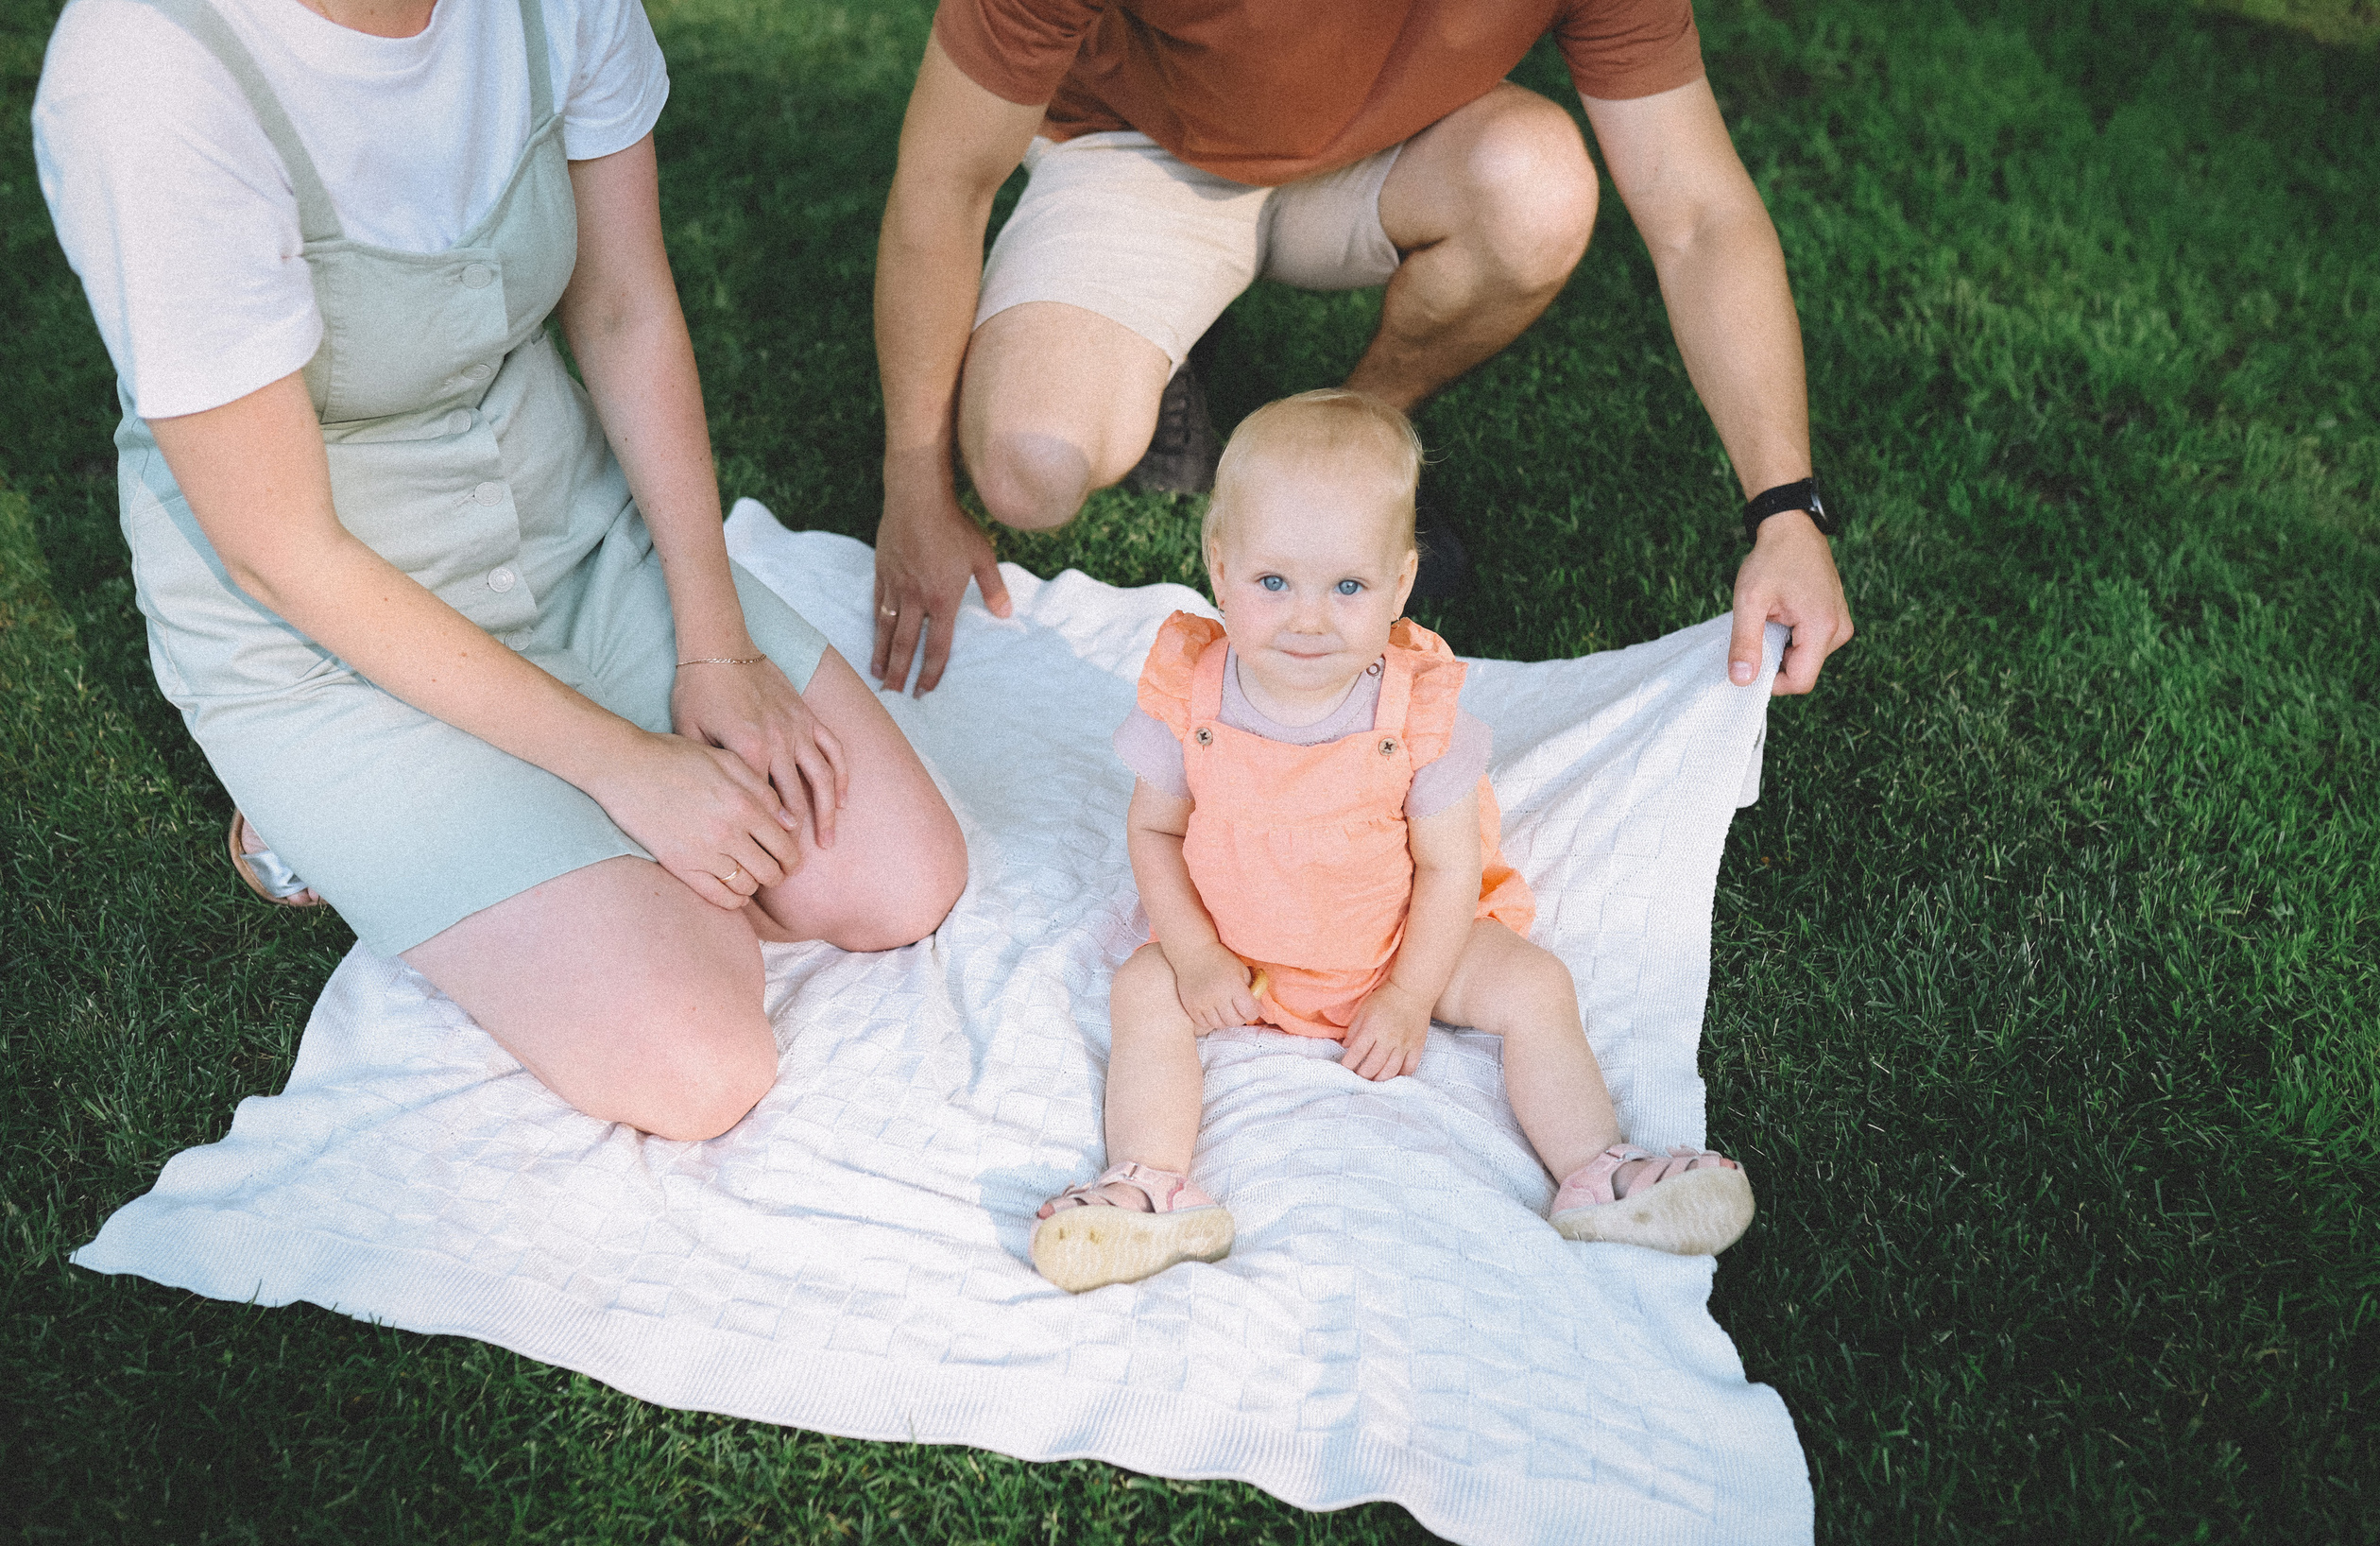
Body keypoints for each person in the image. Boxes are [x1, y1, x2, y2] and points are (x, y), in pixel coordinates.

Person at [33, 0, 967, 1141]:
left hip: (563, 525)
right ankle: (311, 811)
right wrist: (627, 768)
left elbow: (623, 310)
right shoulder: (146, 70)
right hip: (327, 637)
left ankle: (543, 861)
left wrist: (717, 645)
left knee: (899, 880)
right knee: (697, 1055)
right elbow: (282, 554)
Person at [865, 0, 1855, 701]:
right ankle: (1169, 332)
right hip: (1136, 148)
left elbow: (1699, 215)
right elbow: (942, 182)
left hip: (1382, 153)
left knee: (1537, 187)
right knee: (1027, 469)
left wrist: (1786, 514)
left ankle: (1356, 445)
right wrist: (913, 486)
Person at [1028, 393, 1752, 1294]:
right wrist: (1197, 954)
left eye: (1348, 588)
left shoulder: (1413, 711)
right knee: (1143, 990)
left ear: (1401, 584)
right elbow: (1154, 829)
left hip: (1393, 948)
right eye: (1273, 582)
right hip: (1241, 953)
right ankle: (1148, 1183)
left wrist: (1409, 996)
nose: (1308, 618)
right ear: (1218, 564)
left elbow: (1448, 866)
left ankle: (1598, 1168)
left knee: (1535, 985)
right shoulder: (1191, 692)